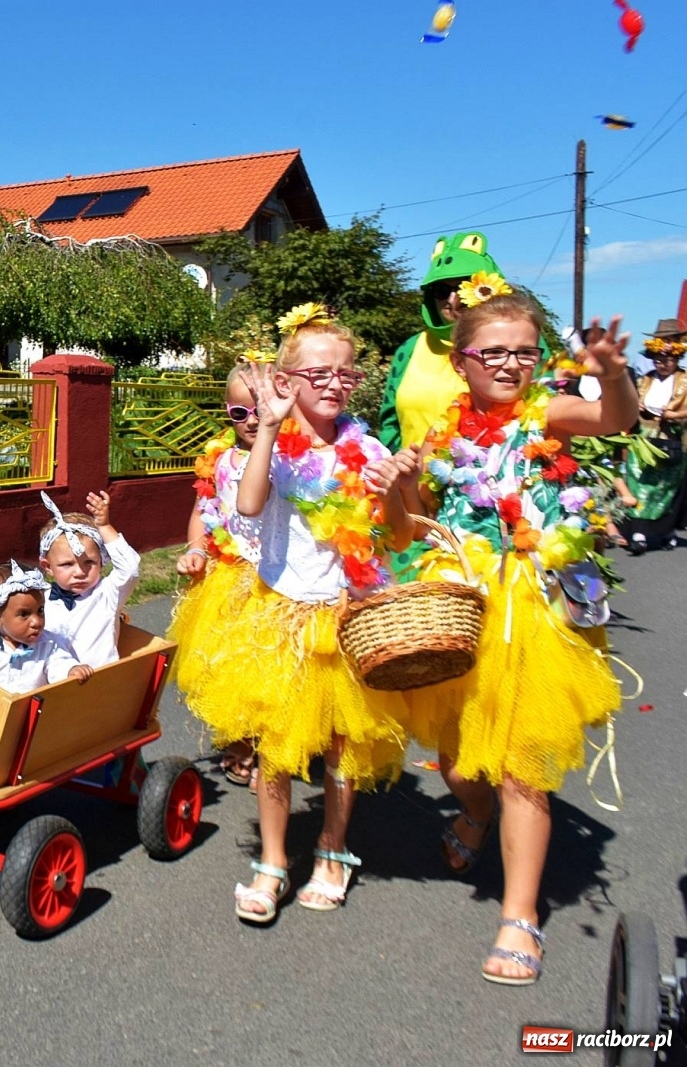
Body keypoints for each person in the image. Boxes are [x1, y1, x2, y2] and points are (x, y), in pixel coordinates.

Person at [394, 291, 635, 986]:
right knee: (460, 762)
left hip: (534, 606)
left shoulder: (544, 413)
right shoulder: (440, 437)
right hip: (466, 605)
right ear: (461, 360)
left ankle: (520, 915)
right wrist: (402, 487)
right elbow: (412, 527)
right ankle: (473, 817)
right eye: (492, 351)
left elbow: (612, 415)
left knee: (521, 766)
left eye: (524, 351)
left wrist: (614, 374)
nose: (509, 363)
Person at [191, 304, 413, 925]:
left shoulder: (364, 444)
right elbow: (250, 502)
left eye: (345, 372)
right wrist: (266, 427)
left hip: (345, 614)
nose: (336, 383)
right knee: (277, 747)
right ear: (286, 381)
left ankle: (333, 848)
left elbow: (395, 539)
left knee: (343, 745)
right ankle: (272, 860)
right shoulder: (275, 446)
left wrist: (393, 486)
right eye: (319, 372)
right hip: (281, 613)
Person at [170, 363, 264, 790]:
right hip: (227, 577)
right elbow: (202, 514)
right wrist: (194, 549)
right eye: (239, 413)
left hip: (275, 580)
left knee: (265, 666)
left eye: (260, 408)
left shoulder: (292, 459)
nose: (252, 421)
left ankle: (271, 736)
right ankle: (239, 739)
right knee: (225, 665)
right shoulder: (220, 461)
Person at [375, 232, 507, 453]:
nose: (452, 298)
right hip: (416, 482)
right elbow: (390, 426)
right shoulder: (410, 348)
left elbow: (543, 409)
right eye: (441, 290)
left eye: (466, 286)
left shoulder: (518, 344)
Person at [0, 561, 92, 692]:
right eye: (24, 614)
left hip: (33, 716)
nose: (36, 621)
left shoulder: (48, 643)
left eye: (40, 610)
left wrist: (70, 670)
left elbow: (58, 662)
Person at [36, 489, 139, 667]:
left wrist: (105, 526)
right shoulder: (39, 597)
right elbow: (14, 618)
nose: (80, 572)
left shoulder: (107, 594)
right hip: (54, 683)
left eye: (89, 562)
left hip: (99, 683)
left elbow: (130, 568)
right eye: (67, 564)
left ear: (101, 561)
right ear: (48, 567)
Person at [617, 329, 687, 553]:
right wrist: (635, 406)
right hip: (643, 438)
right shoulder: (644, 380)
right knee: (638, 482)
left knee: (664, 488)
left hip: (672, 438)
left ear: (676, 359)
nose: (663, 364)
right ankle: (638, 532)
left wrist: (672, 415)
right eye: (658, 360)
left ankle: (666, 530)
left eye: (667, 360)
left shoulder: (684, 380)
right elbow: (631, 401)